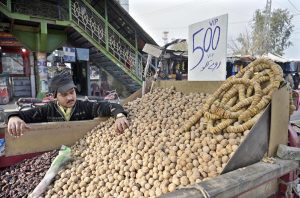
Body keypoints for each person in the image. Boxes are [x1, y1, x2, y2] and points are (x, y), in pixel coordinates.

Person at [7, 70, 129, 137]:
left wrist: (119, 116)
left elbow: (111, 106)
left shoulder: (85, 107)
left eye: (72, 92)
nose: (70, 97)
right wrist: (13, 118)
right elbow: (23, 115)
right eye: (64, 95)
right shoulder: (47, 110)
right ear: (55, 96)